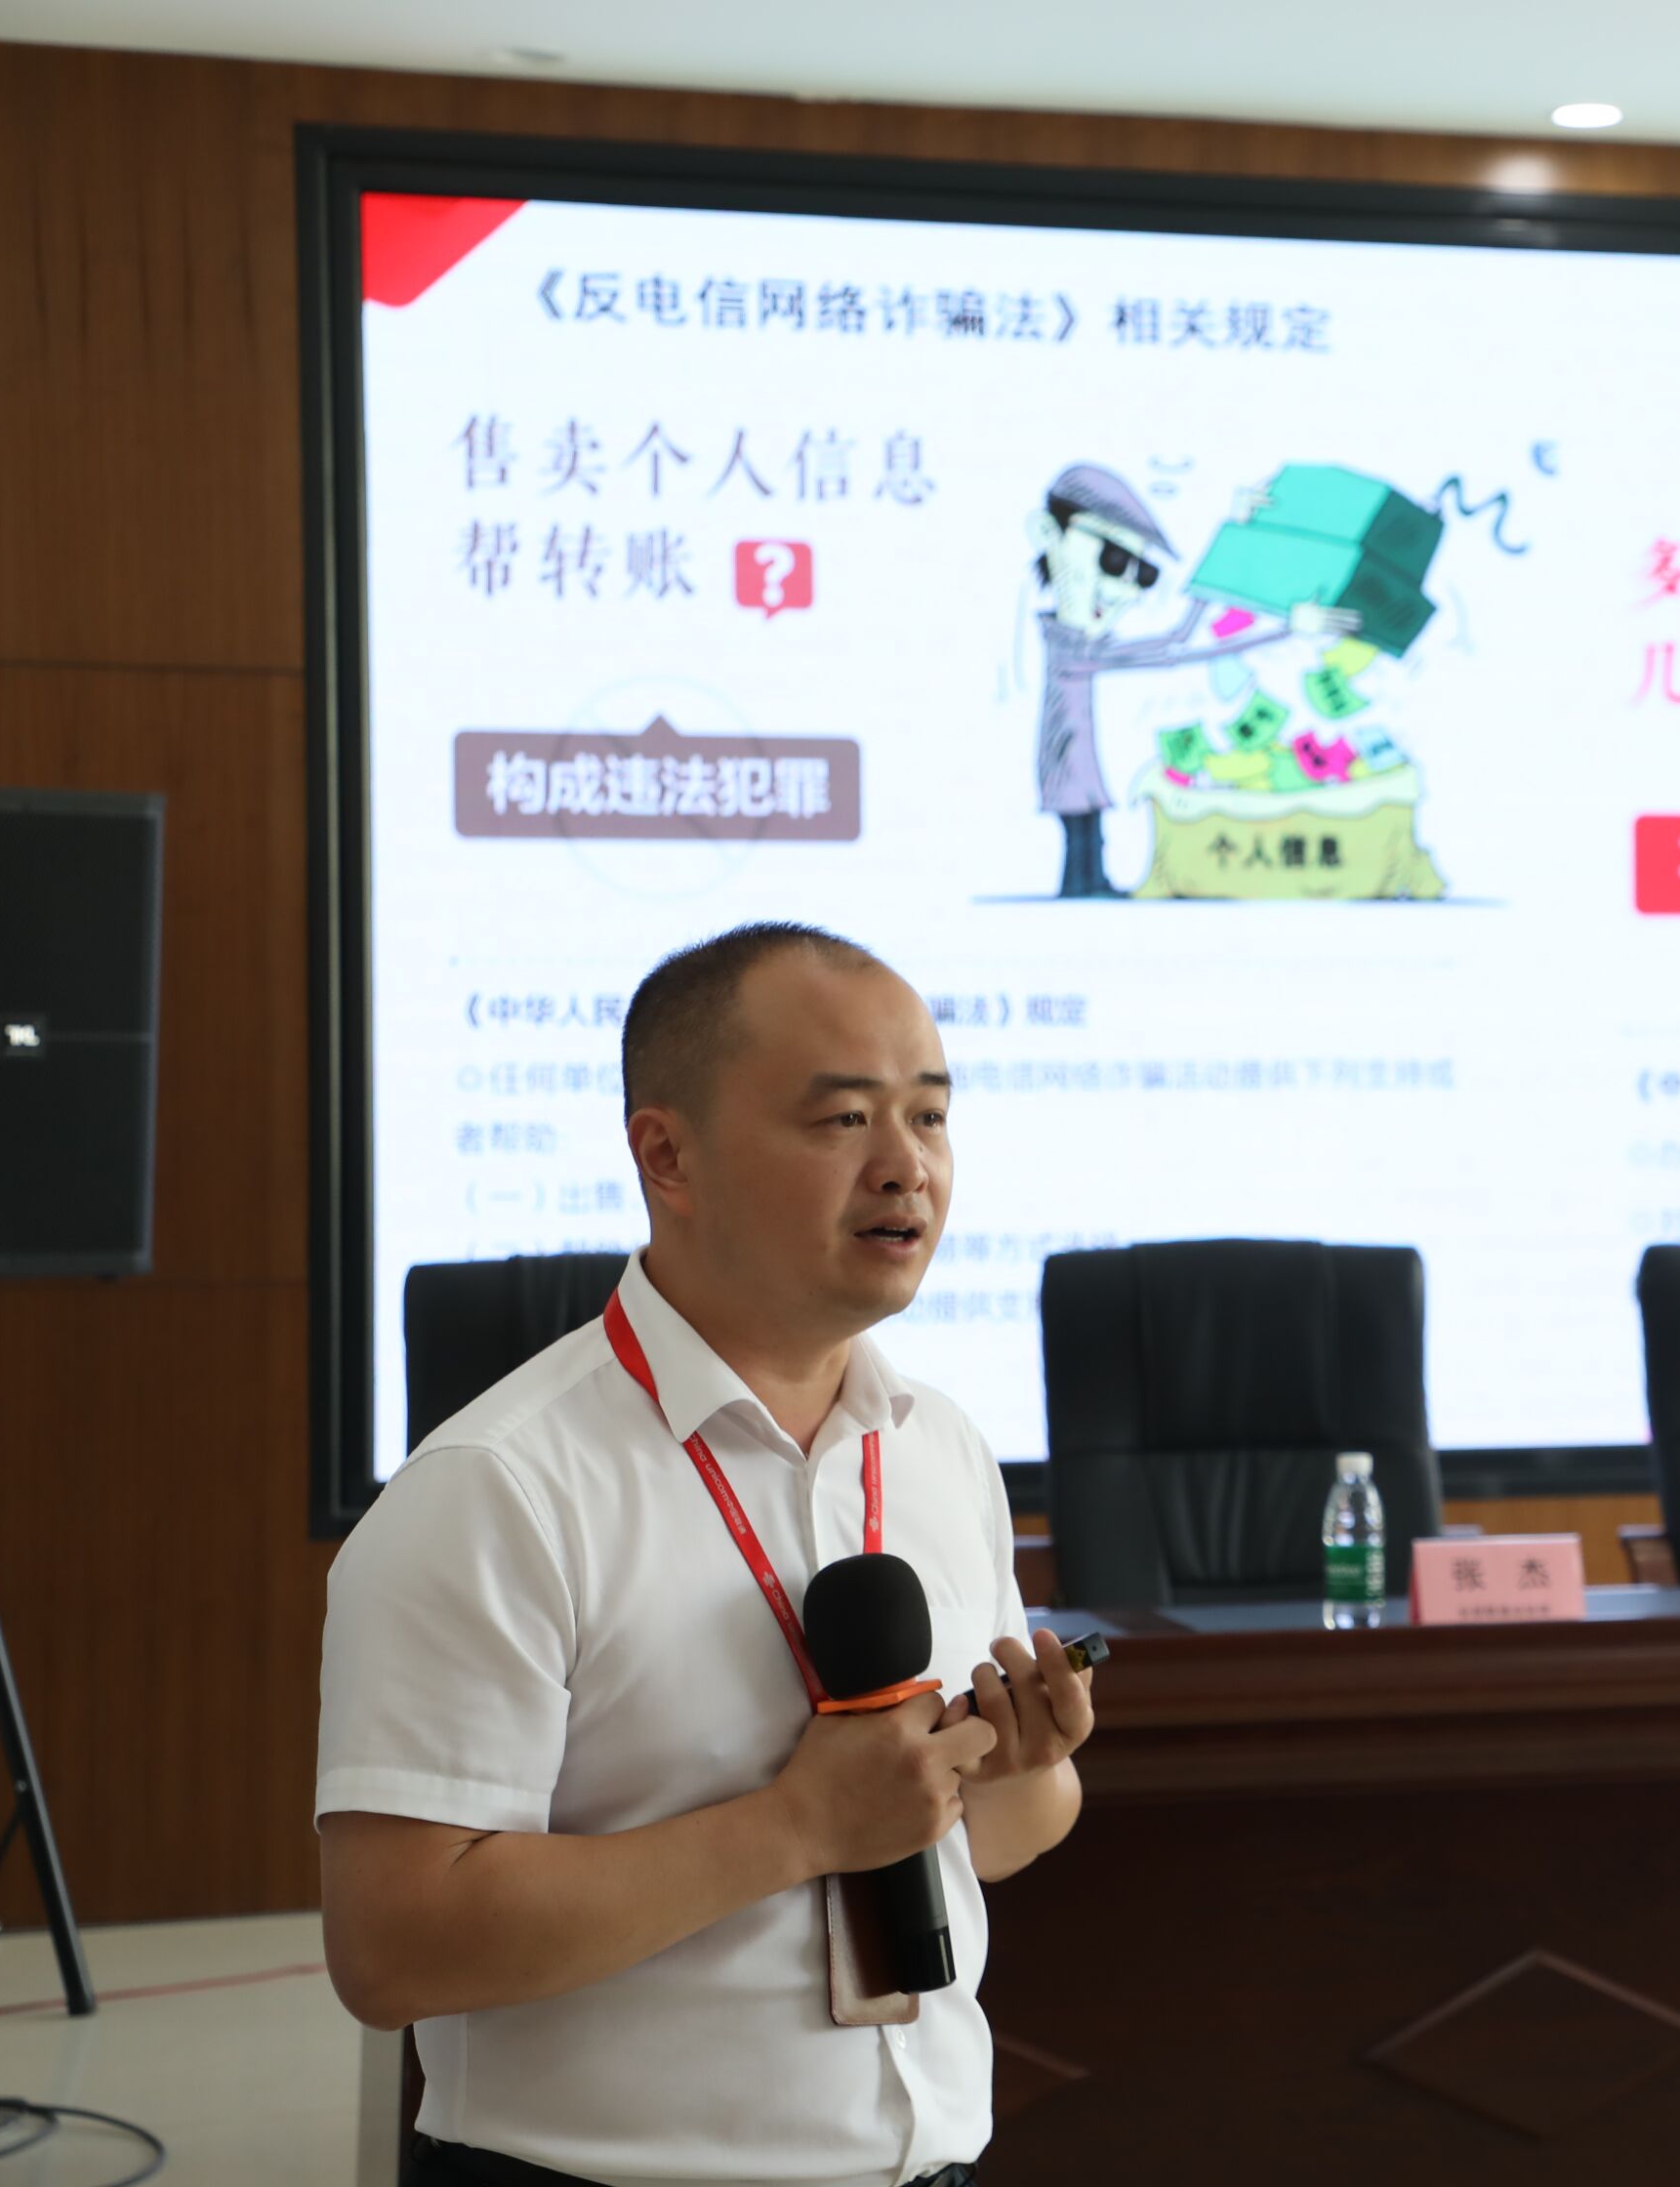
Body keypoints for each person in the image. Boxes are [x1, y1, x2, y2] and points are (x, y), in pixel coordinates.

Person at [317, 923, 1092, 2187]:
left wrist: (1018, 1765)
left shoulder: (941, 1447)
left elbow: (994, 1839)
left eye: (930, 1116)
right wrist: (793, 1827)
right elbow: (392, 1948)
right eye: (844, 1119)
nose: (905, 1167)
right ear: (667, 1154)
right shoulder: (496, 1490)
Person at [1026, 462, 1353, 897]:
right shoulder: (1073, 651)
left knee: (1088, 827)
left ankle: (1089, 886)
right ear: (1049, 533)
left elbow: (1178, 640)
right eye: (1112, 559)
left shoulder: (1081, 646)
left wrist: (1239, 545)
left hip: (1078, 766)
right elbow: (1177, 650)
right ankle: (1082, 890)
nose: (1124, 591)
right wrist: (1285, 626)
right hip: (1069, 766)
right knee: (1081, 830)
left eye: (1142, 575)